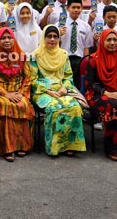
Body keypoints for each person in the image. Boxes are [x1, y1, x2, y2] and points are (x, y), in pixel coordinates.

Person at [30, 25, 87, 157]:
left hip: (61, 90)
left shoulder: (63, 55)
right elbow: (32, 80)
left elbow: (68, 76)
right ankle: (55, 146)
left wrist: (64, 88)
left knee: (74, 107)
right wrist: (48, 91)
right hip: (42, 92)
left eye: (55, 36)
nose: (52, 39)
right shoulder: (35, 56)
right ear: (43, 38)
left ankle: (70, 145)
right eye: (49, 36)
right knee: (54, 107)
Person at [85, 29, 117, 161]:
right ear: (102, 41)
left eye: (115, 40)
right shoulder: (93, 60)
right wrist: (106, 92)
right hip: (97, 94)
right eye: (109, 40)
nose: (112, 43)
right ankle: (112, 148)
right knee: (113, 106)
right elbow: (90, 84)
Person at [0, 27, 35, 161]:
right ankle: (7, 148)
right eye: (3, 38)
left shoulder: (21, 55)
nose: (7, 40)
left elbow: (28, 77)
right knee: (5, 105)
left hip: (19, 92)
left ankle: (22, 145)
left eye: (9, 38)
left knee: (23, 104)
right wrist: (6, 94)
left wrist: (20, 93)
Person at [60, 0, 93, 87]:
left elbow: (86, 46)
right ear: (67, 8)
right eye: (73, 7)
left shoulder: (86, 27)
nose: (76, 10)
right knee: (64, 84)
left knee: (78, 84)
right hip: (64, 59)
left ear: (82, 8)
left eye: (78, 7)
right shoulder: (60, 25)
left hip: (79, 60)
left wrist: (85, 62)